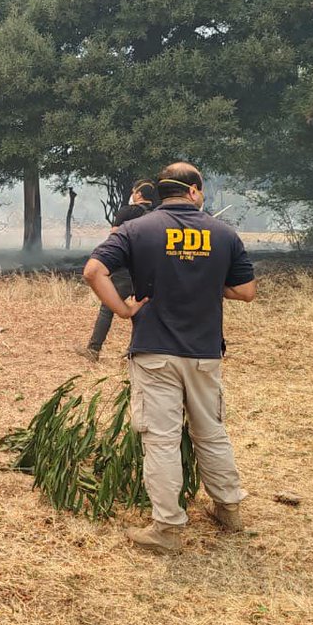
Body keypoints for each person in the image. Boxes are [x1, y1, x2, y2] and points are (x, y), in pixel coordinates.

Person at [83, 162, 256, 555]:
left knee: (160, 441)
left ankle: (167, 529)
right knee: (210, 431)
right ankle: (229, 509)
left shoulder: (135, 230)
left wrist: (124, 311)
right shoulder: (224, 233)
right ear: (194, 191)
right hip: (205, 352)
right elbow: (246, 291)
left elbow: (94, 271)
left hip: (154, 349)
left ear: (161, 192)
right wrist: (210, 284)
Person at [79, 180, 158, 361]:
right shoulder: (157, 215)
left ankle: (93, 349)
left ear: (138, 194)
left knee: (107, 308)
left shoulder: (127, 212)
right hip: (149, 269)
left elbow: (115, 238)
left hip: (125, 269)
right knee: (144, 307)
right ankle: (134, 350)